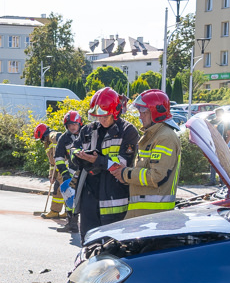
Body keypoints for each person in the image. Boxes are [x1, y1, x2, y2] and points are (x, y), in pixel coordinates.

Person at [70, 87, 139, 240]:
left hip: (113, 200)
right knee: (88, 243)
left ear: (115, 112)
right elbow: (73, 149)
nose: (100, 120)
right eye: (97, 116)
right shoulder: (88, 130)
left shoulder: (128, 132)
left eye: (105, 116)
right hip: (89, 198)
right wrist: (78, 155)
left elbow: (123, 165)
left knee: (111, 247)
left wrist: (98, 160)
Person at [111, 89, 182, 219]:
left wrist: (125, 173)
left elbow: (156, 176)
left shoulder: (165, 138)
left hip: (154, 217)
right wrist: (125, 175)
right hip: (143, 214)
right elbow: (143, 171)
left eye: (143, 112)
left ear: (155, 112)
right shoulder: (153, 135)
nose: (140, 116)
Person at [53, 110, 83, 233]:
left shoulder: (87, 133)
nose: (72, 127)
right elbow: (58, 157)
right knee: (70, 199)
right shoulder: (64, 139)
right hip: (72, 172)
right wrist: (64, 173)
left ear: (79, 123)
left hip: (87, 171)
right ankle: (72, 224)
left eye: (74, 124)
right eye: (69, 125)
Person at [33, 123, 64, 219]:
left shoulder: (52, 135)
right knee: (62, 190)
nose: (41, 141)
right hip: (58, 169)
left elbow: (58, 135)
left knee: (60, 190)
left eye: (41, 138)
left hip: (64, 167)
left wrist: (57, 152)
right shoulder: (47, 144)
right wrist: (51, 176)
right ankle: (66, 212)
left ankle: (55, 211)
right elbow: (52, 163)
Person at [207, 107, 230, 184]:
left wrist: (224, 144)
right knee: (213, 163)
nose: (218, 115)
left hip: (221, 146)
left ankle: (222, 181)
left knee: (221, 164)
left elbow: (229, 135)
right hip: (213, 145)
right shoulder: (212, 122)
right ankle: (212, 180)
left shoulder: (225, 123)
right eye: (217, 113)